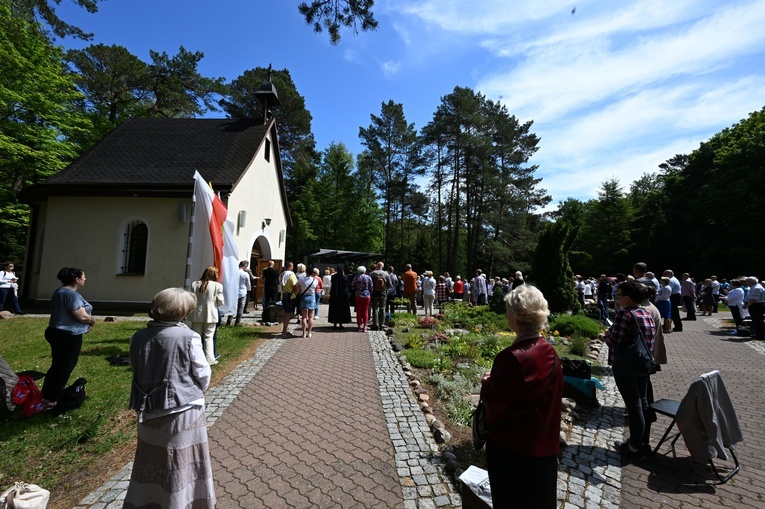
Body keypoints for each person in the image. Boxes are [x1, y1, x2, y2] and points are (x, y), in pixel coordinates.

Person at [123, 288, 215, 509]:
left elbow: (136, 367)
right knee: (182, 461)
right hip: (183, 410)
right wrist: (192, 391)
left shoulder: (137, 337)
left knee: (151, 459)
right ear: (181, 312)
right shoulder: (188, 337)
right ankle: (184, 502)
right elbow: (203, 373)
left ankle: (149, 501)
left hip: (147, 408)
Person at [479, 285, 563, 508]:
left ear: (515, 318)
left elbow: (495, 404)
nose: (506, 314)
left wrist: (486, 383)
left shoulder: (512, 358)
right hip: (544, 446)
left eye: (507, 310)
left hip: (514, 450)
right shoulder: (549, 352)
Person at [603, 280, 657, 460]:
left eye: (618, 295)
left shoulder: (624, 314)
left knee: (634, 405)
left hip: (626, 366)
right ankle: (642, 442)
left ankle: (634, 447)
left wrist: (605, 334)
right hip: (643, 364)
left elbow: (614, 340)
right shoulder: (645, 313)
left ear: (626, 297)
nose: (616, 298)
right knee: (642, 402)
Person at [41, 267, 96, 408]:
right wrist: (92, 320)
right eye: (83, 276)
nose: (85, 279)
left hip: (55, 332)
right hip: (67, 335)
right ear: (76, 279)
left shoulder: (59, 292)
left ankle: (47, 395)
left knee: (57, 365)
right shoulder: (72, 295)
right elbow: (81, 315)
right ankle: (54, 399)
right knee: (65, 366)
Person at [190, 266, 224, 365]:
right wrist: (215, 304)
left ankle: (194, 358)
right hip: (211, 314)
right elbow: (221, 301)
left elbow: (191, 298)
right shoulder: (218, 285)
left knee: (196, 337)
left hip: (196, 314)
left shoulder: (194, 284)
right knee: (208, 337)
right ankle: (209, 359)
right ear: (214, 274)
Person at [294, 264, 316, 338]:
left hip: (303, 297)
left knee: (303, 317)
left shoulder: (301, 279)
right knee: (310, 317)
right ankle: (309, 332)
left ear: (306, 272)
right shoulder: (314, 280)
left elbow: (299, 290)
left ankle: (303, 333)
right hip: (312, 297)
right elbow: (315, 290)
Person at [227, 261, 251, 326]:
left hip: (233, 291)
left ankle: (229, 321)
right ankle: (237, 323)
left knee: (232, 307)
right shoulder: (245, 274)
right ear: (245, 266)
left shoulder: (233, 272)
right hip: (242, 292)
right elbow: (248, 284)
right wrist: (248, 289)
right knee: (240, 307)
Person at [370, 262, 391, 330]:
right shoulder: (386, 274)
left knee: (375, 309)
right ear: (382, 266)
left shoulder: (372, 274)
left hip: (374, 293)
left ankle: (375, 325)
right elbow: (390, 285)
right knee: (382, 309)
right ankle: (382, 324)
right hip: (383, 293)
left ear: (377, 266)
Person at [351, 266, 373, 332]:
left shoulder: (356, 277)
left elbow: (352, 286)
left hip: (358, 295)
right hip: (366, 296)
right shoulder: (368, 277)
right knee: (365, 311)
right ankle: (365, 327)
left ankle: (359, 326)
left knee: (359, 311)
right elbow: (371, 287)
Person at [279, 262, 298, 337]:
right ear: (290, 267)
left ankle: (286, 329)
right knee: (288, 314)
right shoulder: (291, 275)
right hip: (290, 297)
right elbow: (295, 285)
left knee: (286, 313)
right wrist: (296, 293)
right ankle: (284, 331)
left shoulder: (282, 274)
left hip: (284, 295)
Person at [743, 276, 764, 341]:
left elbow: (753, 299)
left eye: (746, 282)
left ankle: (760, 335)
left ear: (751, 282)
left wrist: (747, 306)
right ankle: (757, 333)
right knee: (755, 320)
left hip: (757, 305)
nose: (745, 283)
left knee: (758, 321)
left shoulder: (757, 288)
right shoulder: (753, 288)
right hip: (754, 305)